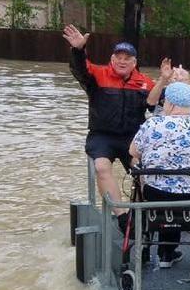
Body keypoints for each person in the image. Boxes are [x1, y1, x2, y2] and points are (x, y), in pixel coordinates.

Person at [63, 24, 154, 219]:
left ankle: (143, 215)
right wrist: (78, 50)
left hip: (133, 137)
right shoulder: (97, 74)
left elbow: (163, 105)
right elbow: (79, 70)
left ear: (134, 62)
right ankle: (121, 216)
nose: (122, 61)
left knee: (147, 171)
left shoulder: (146, 82)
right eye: (118, 58)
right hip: (102, 135)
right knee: (101, 167)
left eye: (127, 58)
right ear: (112, 60)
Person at [128, 82, 190, 267]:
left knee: (165, 202)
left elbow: (133, 152)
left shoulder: (152, 123)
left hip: (158, 193)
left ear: (170, 104)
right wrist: (188, 88)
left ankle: (166, 254)